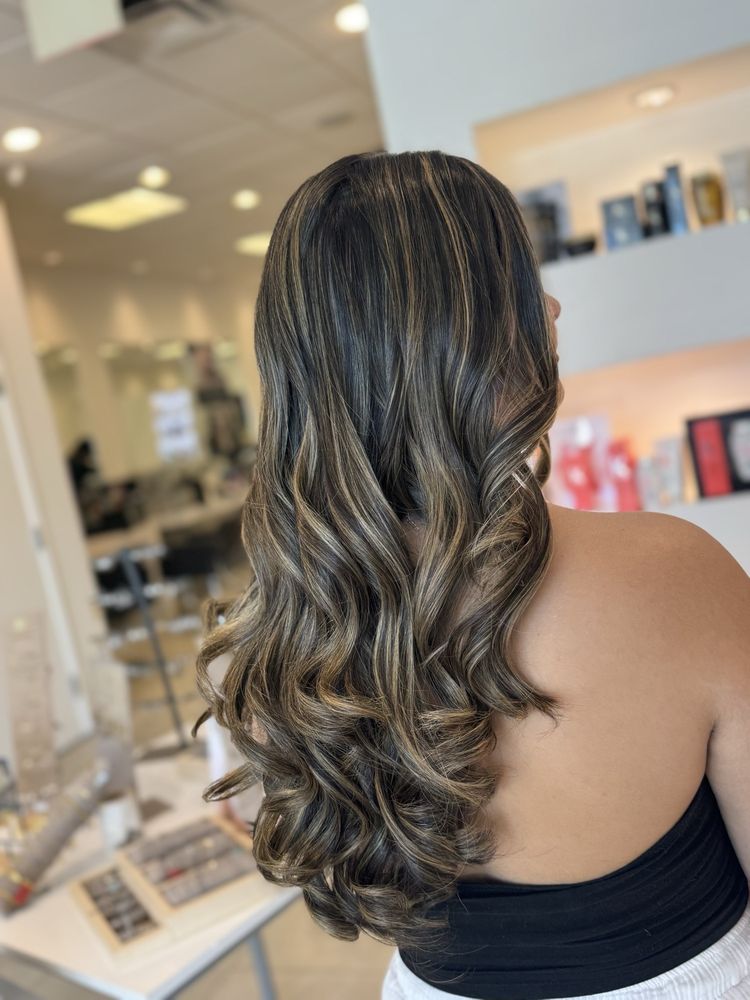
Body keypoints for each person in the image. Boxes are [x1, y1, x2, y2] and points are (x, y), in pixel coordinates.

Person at [195, 151, 750, 999]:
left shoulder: (271, 647)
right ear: (458, 337)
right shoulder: (674, 574)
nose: (552, 308)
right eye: (523, 285)